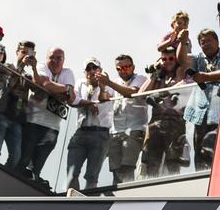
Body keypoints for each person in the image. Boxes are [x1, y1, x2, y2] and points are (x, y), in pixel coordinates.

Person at [18, 48, 74, 185]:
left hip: (53, 127)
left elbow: (71, 97)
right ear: (46, 58)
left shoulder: (68, 72)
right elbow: (45, 84)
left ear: (63, 60)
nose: (55, 61)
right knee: (23, 160)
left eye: (59, 58)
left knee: (37, 166)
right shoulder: (42, 67)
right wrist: (64, 89)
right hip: (33, 121)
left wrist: (55, 90)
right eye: (52, 57)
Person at [183, 24, 220, 171]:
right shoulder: (198, 58)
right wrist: (182, 42)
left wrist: (206, 76)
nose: (206, 44)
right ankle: (201, 177)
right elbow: (182, 60)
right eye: (202, 42)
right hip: (201, 111)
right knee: (200, 147)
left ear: (216, 41)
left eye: (209, 40)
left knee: (218, 146)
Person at [139, 45, 189, 179]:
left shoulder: (182, 74)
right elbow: (141, 94)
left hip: (175, 124)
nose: (168, 61)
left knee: (173, 163)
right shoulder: (158, 78)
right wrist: (154, 75)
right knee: (151, 162)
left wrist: (178, 71)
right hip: (156, 124)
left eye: (171, 58)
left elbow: (181, 88)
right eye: (164, 59)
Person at [65, 59, 113, 191]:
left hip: (100, 133)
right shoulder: (81, 83)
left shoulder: (108, 85)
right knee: (71, 173)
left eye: (95, 68)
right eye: (88, 68)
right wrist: (88, 103)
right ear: (85, 71)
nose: (92, 71)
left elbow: (104, 99)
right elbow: (72, 99)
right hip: (81, 131)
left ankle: (89, 203)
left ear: (100, 70)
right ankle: (71, 203)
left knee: (92, 176)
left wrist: (102, 87)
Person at [98, 54, 147, 184]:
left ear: (133, 67)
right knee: (115, 170)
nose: (123, 70)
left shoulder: (141, 78)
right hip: (116, 131)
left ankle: (127, 197)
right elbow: (103, 99)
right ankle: (116, 198)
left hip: (134, 129)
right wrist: (102, 87)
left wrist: (108, 83)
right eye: (119, 68)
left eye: (126, 67)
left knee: (127, 167)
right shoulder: (116, 82)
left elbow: (130, 92)